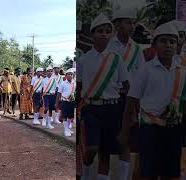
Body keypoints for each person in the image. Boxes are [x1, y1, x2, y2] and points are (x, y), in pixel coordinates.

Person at [122, 22, 185, 180]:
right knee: (148, 171)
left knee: (171, 171)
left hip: (174, 128)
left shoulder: (183, 72)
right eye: (163, 41)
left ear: (178, 45)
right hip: (150, 128)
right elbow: (131, 99)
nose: (168, 45)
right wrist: (125, 130)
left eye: (172, 41)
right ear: (154, 44)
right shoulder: (146, 69)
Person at [78, 14, 129, 180]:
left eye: (108, 31)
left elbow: (126, 85)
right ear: (93, 34)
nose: (104, 34)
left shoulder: (117, 59)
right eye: (100, 31)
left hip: (111, 108)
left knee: (105, 153)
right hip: (91, 107)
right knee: (91, 149)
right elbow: (79, 87)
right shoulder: (84, 60)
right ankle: (85, 170)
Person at [107, 8, 145, 180]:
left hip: (129, 98)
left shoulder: (137, 49)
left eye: (133, 23)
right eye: (128, 22)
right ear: (117, 24)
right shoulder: (108, 45)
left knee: (126, 140)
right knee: (106, 142)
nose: (132, 26)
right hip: (110, 98)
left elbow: (142, 74)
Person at [56, 68, 76, 136]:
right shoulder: (63, 83)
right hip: (64, 101)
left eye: (71, 74)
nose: (70, 75)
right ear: (66, 75)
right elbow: (59, 93)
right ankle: (65, 130)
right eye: (69, 74)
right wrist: (57, 103)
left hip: (72, 101)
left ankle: (68, 129)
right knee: (64, 115)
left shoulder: (74, 83)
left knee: (70, 116)